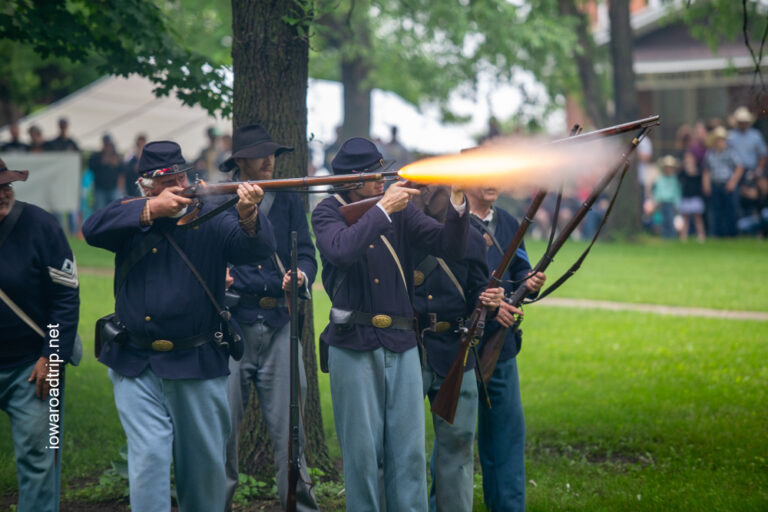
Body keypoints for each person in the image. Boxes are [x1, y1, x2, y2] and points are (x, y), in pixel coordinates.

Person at [82, 140, 276, 512]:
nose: (175, 185)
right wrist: (152, 210)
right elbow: (92, 228)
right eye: (165, 181)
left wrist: (249, 213)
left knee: (203, 473)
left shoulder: (211, 214)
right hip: (135, 361)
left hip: (196, 360)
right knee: (148, 461)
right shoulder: (131, 218)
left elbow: (255, 250)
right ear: (146, 187)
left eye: (179, 177)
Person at [312, 137, 470, 511]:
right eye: (375, 174)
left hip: (402, 341)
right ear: (353, 180)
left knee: (410, 455)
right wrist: (382, 210)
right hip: (353, 343)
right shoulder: (327, 212)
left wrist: (458, 201)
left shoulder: (401, 210)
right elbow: (340, 250)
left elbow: (448, 245)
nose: (383, 179)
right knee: (363, 457)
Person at [219, 124, 319, 512]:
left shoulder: (289, 199)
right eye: (261, 154)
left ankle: (300, 507)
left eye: (273, 153)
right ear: (240, 161)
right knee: (222, 432)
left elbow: (307, 252)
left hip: (280, 324)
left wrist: (302, 275)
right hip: (231, 327)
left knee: (292, 435)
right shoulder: (217, 198)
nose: (270, 160)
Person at [411, 185, 504, 512]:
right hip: (412, 349)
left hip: (456, 350)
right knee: (405, 449)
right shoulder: (407, 234)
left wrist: (490, 301)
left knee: (459, 447)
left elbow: (480, 288)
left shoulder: (474, 239)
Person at [0, 158, 80, 512]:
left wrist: (52, 354)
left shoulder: (41, 225)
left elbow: (65, 296)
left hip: (33, 366)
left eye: (6, 186)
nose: (3, 194)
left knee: (40, 457)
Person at [465, 186, 545, 512]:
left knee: (508, 436)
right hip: (460, 345)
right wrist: (484, 305)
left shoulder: (510, 222)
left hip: (502, 345)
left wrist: (529, 280)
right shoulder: (448, 222)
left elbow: (519, 267)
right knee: (455, 439)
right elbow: (441, 283)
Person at [703, 126, 744, 237]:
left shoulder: (730, 152)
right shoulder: (710, 153)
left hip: (727, 183)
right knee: (716, 211)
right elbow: (707, 170)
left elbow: (739, 167)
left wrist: (733, 182)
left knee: (730, 210)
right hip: (715, 184)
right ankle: (718, 234)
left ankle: (731, 234)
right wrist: (706, 185)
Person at [89, 134, 123, 210]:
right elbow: (91, 167)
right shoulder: (96, 156)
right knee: (100, 210)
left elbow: (122, 171)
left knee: (115, 210)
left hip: (113, 188)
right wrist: (103, 160)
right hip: (100, 189)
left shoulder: (116, 156)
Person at [652, 156, 682, 239]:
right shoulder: (660, 179)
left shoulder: (674, 179)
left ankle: (672, 236)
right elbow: (657, 191)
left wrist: (677, 204)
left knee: (670, 219)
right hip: (662, 202)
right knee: (664, 220)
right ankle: (665, 236)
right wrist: (656, 201)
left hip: (671, 203)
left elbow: (677, 192)